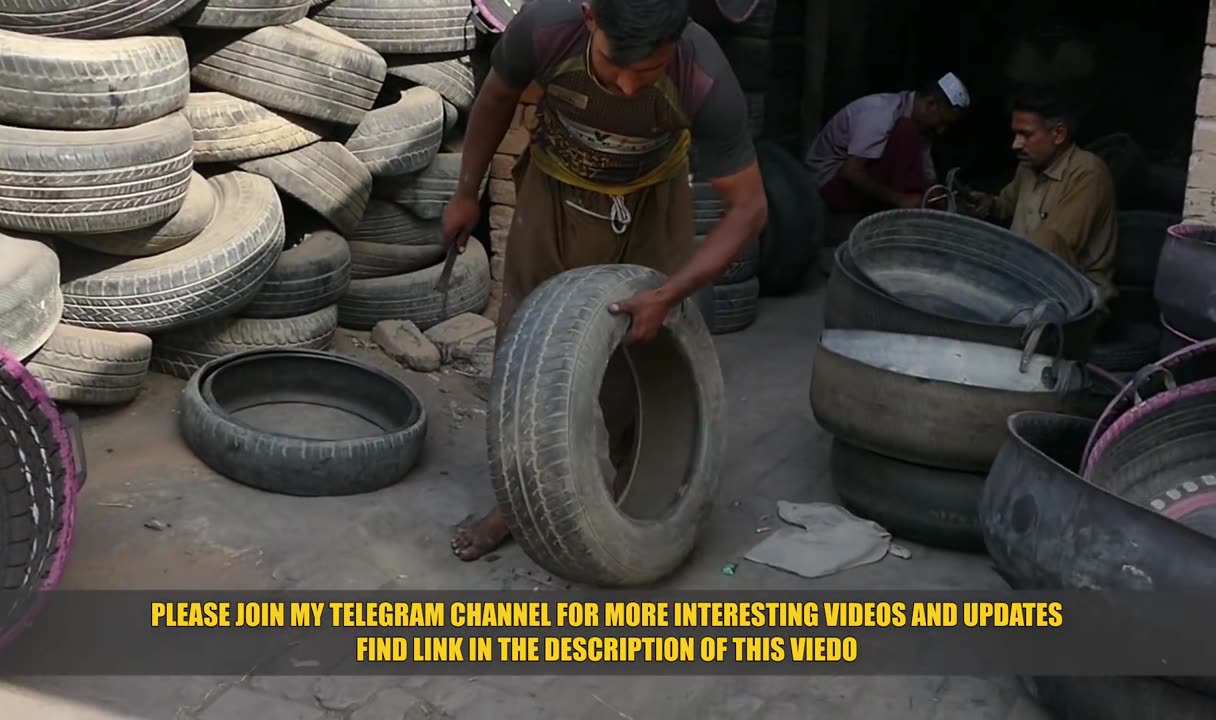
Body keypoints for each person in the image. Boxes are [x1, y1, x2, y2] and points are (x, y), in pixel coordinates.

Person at [442, 0, 768, 561]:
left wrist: (669, 294)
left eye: (648, 72)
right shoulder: (545, 30)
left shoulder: (702, 72)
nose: (625, 86)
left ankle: (621, 489)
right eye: (618, 64)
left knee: (633, 351)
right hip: (555, 191)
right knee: (523, 346)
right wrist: (467, 191)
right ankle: (517, 502)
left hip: (650, 203)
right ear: (591, 18)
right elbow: (496, 97)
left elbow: (748, 209)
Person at [968, 94, 1118, 315]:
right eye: (1015, 134)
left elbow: (1051, 248)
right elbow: (1005, 205)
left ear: (1058, 134)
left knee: (1043, 242)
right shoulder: (1028, 167)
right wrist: (988, 204)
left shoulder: (1088, 173)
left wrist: (991, 262)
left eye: (1026, 135)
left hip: (1078, 300)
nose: (1015, 144)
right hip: (1023, 284)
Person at [805, 73, 971, 213]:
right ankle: (907, 214)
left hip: (854, 185)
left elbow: (925, 176)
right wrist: (899, 198)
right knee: (906, 131)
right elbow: (851, 172)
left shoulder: (922, 128)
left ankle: (912, 209)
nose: (941, 130)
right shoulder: (881, 113)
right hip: (827, 186)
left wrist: (942, 200)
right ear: (930, 104)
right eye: (941, 121)